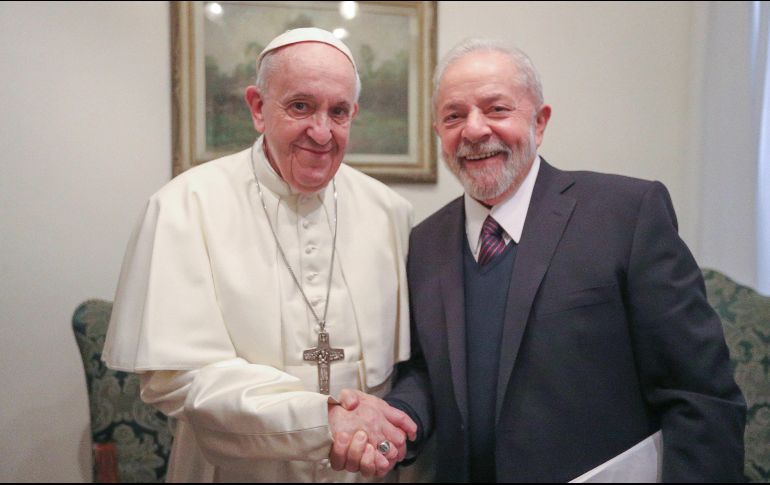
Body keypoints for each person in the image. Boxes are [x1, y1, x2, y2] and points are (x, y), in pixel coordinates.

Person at [338, 38, 747, 482]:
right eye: (454, 115)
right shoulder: (425, 241)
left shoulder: (626, 215)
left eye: (497, 109)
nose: (474, 130)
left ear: (541, 120)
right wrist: (395, 420)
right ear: (439, 131)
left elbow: (701, 396)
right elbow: (426, 371)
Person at [102, 28, 417, 482]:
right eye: (301, 106)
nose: (321, 131)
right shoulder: (184, 207)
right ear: (257, 107)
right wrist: (320, 418)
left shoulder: (391, 213)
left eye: (339, 111)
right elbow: (179, 378)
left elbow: (407, 370)